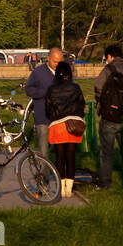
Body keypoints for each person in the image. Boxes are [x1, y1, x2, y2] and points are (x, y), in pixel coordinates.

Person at [94, 46, 123, 190]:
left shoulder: (107, 70)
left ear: (110, 56)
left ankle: (106, 183)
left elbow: (97, 87)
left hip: (109, 117)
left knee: (106, 152)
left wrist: (104, 102)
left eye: (107, 58)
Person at [44, 61, 86, 198]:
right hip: (73, 124)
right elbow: (82, 105)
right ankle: (69, 189)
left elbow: (48, 109)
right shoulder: (76, 87)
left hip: (57, 126)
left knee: (60, 157)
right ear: (69, 74)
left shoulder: (51, 89)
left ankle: (60, 189)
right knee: (71, 157)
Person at [24, 47, 64, 160]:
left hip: (60, 118)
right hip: (43, 118)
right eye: (55, 61)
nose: (57, 64)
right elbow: (28, 90)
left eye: (60, 62)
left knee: (60, 152)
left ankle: (59, 176)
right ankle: (43, 176)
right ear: (48, 58)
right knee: (43, 152)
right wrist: (44, 92)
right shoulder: (38, 72)